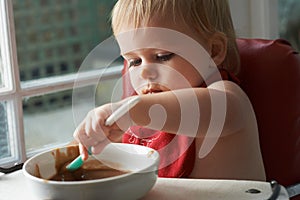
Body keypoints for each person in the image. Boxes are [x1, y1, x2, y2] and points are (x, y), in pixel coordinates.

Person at [73, 0, 266, 181]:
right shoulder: (140, 112)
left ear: (213, 50)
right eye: (134, 61)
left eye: (162, 56)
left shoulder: (226, 97)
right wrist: (98, 140)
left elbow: (208, 111)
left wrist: (130, 111)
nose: (145, 72)